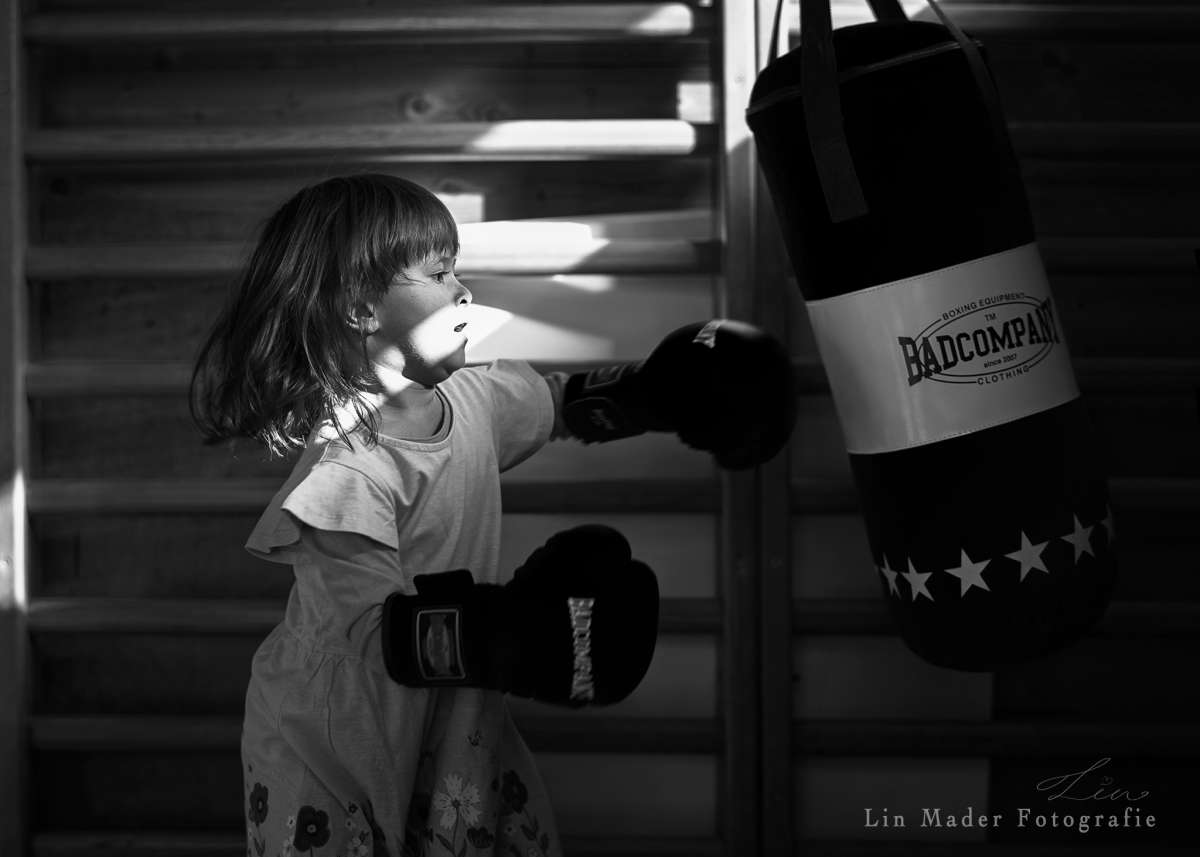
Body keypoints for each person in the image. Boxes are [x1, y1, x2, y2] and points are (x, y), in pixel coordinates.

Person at [191, 173, 795, 857]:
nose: (464, 291)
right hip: (336, 740)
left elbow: (560, 404)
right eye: (440, 272)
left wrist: (661, 393)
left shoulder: (473, 401)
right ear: (362, 307)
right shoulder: (348, 469)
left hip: (453, 717)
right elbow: (371, 634)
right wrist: (520, 633)